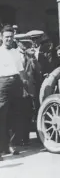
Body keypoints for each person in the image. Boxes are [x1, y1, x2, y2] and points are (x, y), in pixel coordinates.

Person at [0, 26, 24, 160]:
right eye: (6, 37)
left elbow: (21, 71)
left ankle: (11, 145)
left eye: (11, 37)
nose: (9, 39)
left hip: (16, 83)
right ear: (1, 37)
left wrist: (24, 83)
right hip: (2, 84)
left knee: (15, 115)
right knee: (1, 115)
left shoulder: (16, 52)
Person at [14, 33, 41, 145]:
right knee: (17, 113)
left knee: (28, 113)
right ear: (18, 43)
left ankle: (25, 138)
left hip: (30, 89)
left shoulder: (30, 55)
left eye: (27, 43)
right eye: (23, 43)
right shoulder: (14, 54)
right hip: (17, 88)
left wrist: (33, 59)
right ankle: (16, 139)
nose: (26, 45)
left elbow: (37, 71)